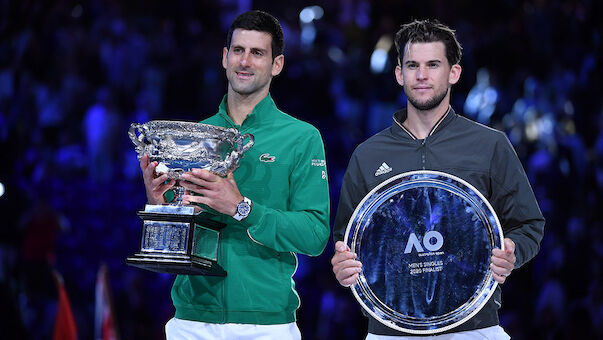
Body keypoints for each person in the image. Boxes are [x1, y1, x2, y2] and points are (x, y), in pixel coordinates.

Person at [331, 19, 545, 339]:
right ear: (399, 74)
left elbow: (529, 224)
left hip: (474, 325)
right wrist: (342, 265)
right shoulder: (368, 154)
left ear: (453, 73)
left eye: (433, 64)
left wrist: (513, 251)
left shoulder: (490, 145)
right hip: (390, 329)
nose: (422, 75)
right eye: (412, 65)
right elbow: (348, 239)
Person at [139, 10, 330, 340]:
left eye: (258, 53)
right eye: (238, 51)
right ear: (225, 58)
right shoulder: (194, 137)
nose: (245, 61)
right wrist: (160, 207)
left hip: (267, 325)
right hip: (192, 321)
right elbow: (169, 253)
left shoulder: (301, 138)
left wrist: (242, 207)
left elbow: (314, 235)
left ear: (277, 65)